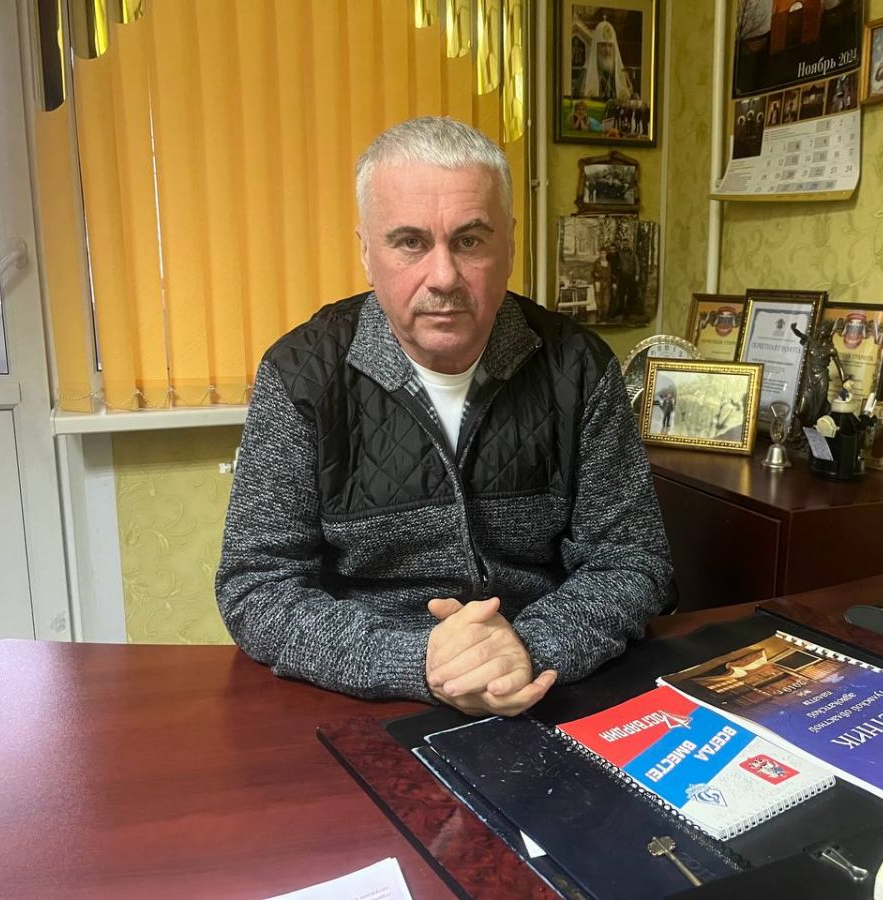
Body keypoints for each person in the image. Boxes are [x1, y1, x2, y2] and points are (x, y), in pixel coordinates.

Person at [215, 117, 672, 717]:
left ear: (510, 245)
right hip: (367, 696)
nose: (443, 277)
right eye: (410, 242)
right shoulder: (302, 374)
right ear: (366, 252)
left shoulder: (578, 367)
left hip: (543, 685)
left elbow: (634, 561)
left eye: (470, 241)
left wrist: (526, 650)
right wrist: (419, 661)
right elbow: (256, 584)